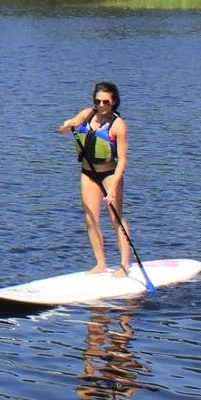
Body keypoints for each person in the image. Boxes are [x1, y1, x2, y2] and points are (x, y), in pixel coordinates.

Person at [58, 81, 133, 276]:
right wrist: (66, 126)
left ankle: (124, 265)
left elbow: (123, 161)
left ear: (114, 101)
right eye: (98, 101)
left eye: (106, 102)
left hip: (110, 174)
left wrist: (112, 188)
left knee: (116, 217)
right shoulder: (87, 114)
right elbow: (69, 125)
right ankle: (100, 263)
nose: (101, 106)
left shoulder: (118, 126)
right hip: (88, 173)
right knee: (91, 218)